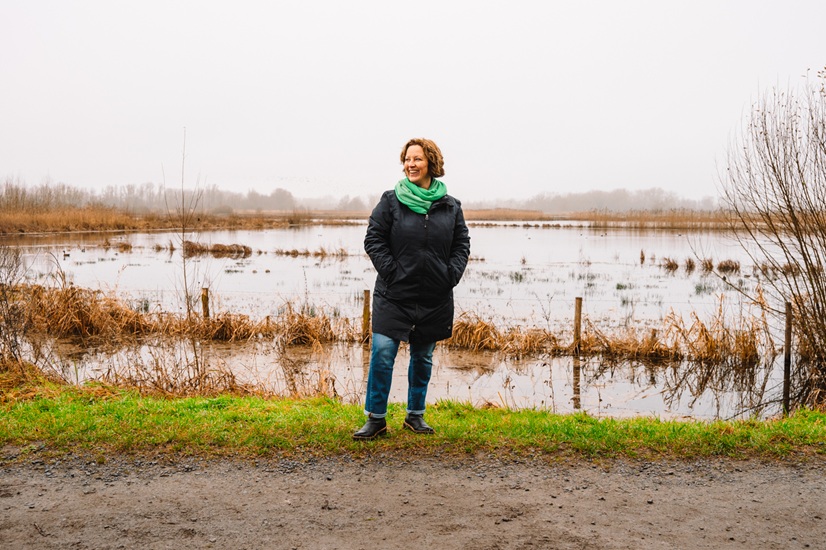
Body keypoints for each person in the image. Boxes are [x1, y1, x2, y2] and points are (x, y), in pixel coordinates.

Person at [353, 138, 471, 440]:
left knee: (423, 357)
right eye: (407, 159)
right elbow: (373, 239)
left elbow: (461, 244)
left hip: (434, 296)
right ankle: (376, 418)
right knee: (382, 352)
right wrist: (392, 272)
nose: (410, 164)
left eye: (417, 159)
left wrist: (450, 274)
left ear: (431, 162)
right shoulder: (391, 201)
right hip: (393, 294)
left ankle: (415, 415)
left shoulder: (451, 206)